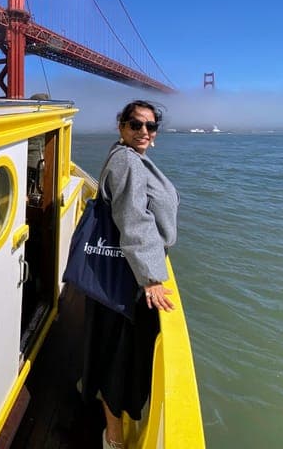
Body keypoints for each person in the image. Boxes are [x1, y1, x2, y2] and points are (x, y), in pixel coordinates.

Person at [80, 100, 179, 449]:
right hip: (127, 279)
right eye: (135, 125)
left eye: (150, 127)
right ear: (121, 127)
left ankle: (112, 426)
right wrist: (152, 277)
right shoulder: (126, 161)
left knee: (115, 354)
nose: (143, 132)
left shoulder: (131, 158)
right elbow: (133, 218)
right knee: (118, 359)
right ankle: (114, 437)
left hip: (124, 273)